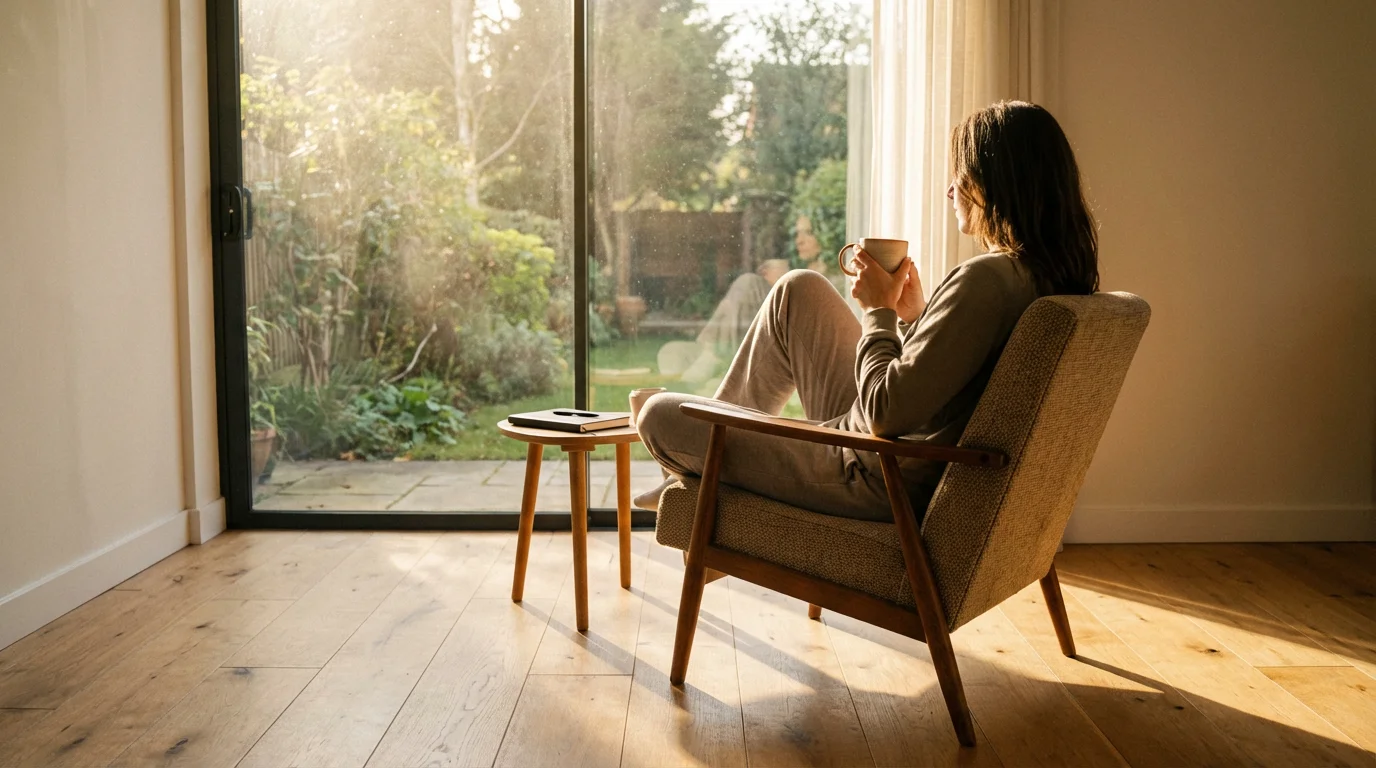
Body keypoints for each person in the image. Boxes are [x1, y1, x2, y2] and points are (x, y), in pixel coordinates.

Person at [634, 101, 1100, 521]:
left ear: (997, 182)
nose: (950, 189)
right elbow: (950, 384)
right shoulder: (1038, 278)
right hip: (884, 452)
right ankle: (688, 464)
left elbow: (883, 413)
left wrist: (878, 311)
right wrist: (917, 316)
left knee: (659, 414)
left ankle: (683, 469)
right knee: (799, 290)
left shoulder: (988, 279)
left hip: (871, 471)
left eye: (963, 174)